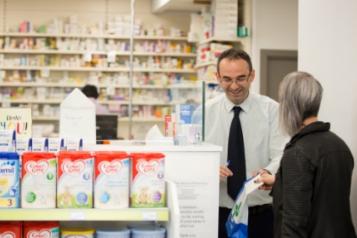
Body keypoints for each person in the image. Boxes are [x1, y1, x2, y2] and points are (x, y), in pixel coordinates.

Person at [257, 71, 356, 238]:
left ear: (290, 106)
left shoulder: (298, 152)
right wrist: (279, 181)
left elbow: (294, 224)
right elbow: (321, 192)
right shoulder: (339, 145)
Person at [204, 48, 288, 238]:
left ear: (252, 76)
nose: (234, 86)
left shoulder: (272, 110)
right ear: (217, 77)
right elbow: (193, 156)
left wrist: (268, 172)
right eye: (227, 79)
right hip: (218, 214)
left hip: (260, 214)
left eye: (241, 78)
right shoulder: (204, 113)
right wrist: (208, 168)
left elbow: (281, 153)